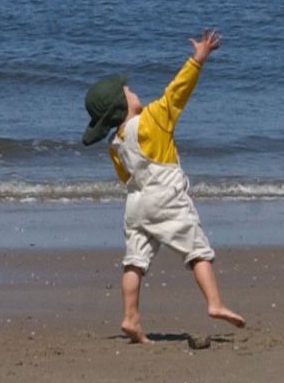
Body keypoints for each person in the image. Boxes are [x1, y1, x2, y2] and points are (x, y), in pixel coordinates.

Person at [82, 28, 245, 343]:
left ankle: (130, 317)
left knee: (135, 260)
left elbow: (124, 177)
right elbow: (177, 91)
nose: (132, 91)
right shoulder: (154, 118)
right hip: (166, 199)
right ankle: (214, 302)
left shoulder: (115, 142)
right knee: (196, 249)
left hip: (136, 205)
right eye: (127, 91)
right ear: (121, 105)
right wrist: (198, 59)